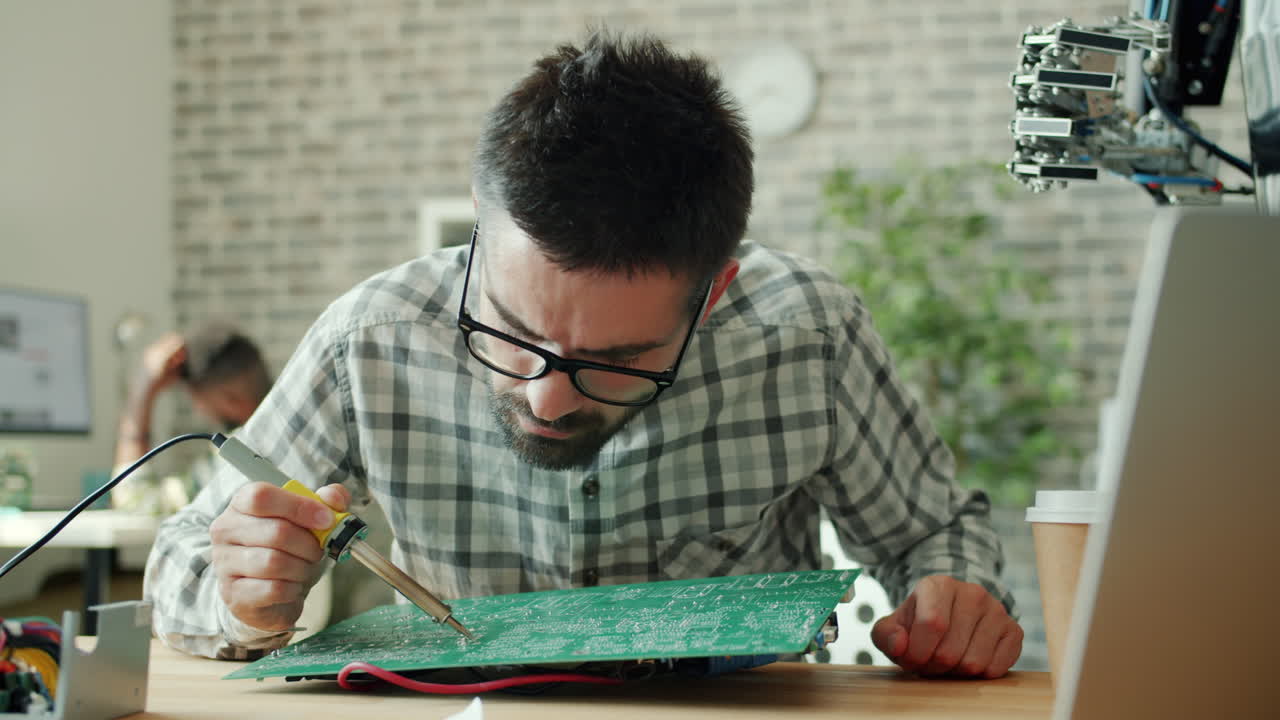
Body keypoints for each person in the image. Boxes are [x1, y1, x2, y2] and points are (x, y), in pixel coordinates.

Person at [145, 30, 1024, 677]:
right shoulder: (370, 340)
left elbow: (937, 535)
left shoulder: (808, 337)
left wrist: (953, 598)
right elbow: (181, 554)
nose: (546, 399)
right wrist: (242, 594)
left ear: (713, 296)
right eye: (509, 333)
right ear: (480, 244)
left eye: (616, 360)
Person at [112, 324, 270, 512]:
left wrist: (142, 390)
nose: (197, 408)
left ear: (230, 398)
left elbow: (136, 500)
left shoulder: (240, 454)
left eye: (197, 398)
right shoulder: (285, 429)